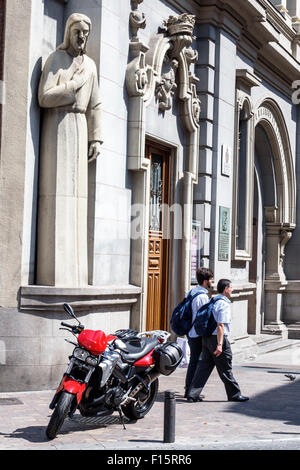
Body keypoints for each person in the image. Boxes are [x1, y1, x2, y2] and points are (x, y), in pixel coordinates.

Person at [37, 13, 102, 287]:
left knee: (77, 201)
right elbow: (44, 97)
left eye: (86, 33)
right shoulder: (55, 60)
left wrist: (96, 137)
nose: (82, 37)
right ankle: (54, 272)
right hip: (58, 125)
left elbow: (96, 104)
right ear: (68, 32)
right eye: (77, 31)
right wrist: (71, 86)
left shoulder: (90, 65)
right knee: (58, 195)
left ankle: (75, 273)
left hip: (79, 128)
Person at [186, 279, 249, 402]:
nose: (232, 290)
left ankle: (192, 394)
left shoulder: (213, 300)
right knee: (225, 368)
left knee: (203, 368)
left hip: (207, 338)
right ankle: (234, 394)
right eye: (231, 288)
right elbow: (221, 325)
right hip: (217, 339)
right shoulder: (223, 304)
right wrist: (220, 345)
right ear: (226, 289)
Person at [184, 267, 214, 398]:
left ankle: (188, 389)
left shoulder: (191, 292)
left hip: (190, 331)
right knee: (196, 362)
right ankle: (191, 391)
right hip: (198, 334)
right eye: (211, 279)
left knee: (194, 362)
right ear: (206, 281)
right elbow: (204, 317)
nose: (213, 281)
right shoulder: (202, 297)